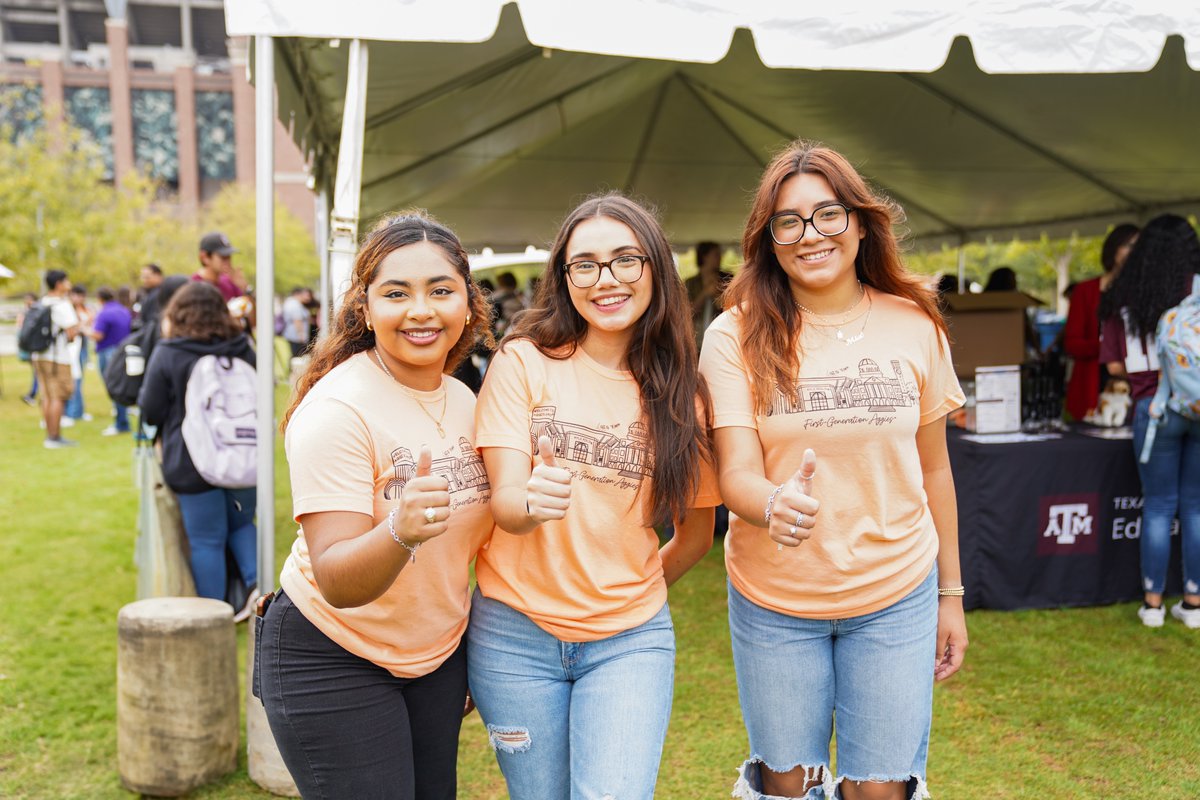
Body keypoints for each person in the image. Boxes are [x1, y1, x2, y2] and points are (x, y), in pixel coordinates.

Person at [699, 141, 967, 800]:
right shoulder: (732, 335)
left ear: (858, 221)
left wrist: (951, 595)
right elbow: (735, 472)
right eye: (788, 221)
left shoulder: (915, 323)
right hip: (776, 599)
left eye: (828, 214)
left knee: (878, 791)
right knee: (790, 785)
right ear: (768, 238)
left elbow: (935, 470)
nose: (810, 234)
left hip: (895, 592)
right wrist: (773, 504)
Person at [470, 193, 719, 800]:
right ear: (564, 277)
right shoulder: (523, 361)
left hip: (630, 642)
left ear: (655, 269)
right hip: (514, 640)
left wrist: (624, 593)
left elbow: (694, 535)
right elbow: (503, 498)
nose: (605, 279)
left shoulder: (685, 394)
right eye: (585, 264)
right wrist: (530, 505)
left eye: (625, 260)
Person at [257, 213, 495, 798]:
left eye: (441, 290)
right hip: (331, 651)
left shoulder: (466, 399)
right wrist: (399, 530)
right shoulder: (338, 408)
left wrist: (462, 647)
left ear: (468, 303)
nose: (421, 311)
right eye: (397, 293)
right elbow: (336, 576)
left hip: (434, 658)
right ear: (365, 308)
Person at [1100, 213, 1200, 629]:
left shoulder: (1124, 292)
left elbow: (1115, 366)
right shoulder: (1194, 291)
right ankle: (1194, 604)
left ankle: (1153, 604)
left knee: (1158, 506)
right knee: (1195, 506)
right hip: (1195, 404)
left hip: (1151, 408)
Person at [137, 282, 257, 610]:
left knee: (206, 540)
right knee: (243, 525)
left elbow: (150, 409)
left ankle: (212, 613)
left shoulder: (170, 351)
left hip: (190, 462)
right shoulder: (242, 347)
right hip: (243, 456)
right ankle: (258, 593)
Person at [1063, 224, 1139, 420]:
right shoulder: (1086, 291)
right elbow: (1072, 343)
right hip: (1093, 385)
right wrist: (1108, 348)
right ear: (1113, 248)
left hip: (1135, 387)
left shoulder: (1144, 293)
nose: (1133, 251)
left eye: (1138, 246)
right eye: (1128, 245)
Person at [31, 270, 81, 448]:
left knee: (47, 395)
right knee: (58, 396)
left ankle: (49, 435)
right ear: (59, 283)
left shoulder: (42, 301)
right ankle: (54, 437)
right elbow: (72, 331)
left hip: (39, 355)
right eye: (66, 280)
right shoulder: (62, 304)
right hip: (57, 357)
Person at [89, 286, 134, 435]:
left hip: (108, 352)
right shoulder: (123, 310)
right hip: (123, 350)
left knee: (114, 388)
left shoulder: (104, 313)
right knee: (122, 386)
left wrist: (84, 331)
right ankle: (123, 418)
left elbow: (98, 335)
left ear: (100, 299)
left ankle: (122, 423)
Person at [686, 240, 733, 348]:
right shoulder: (690, 283)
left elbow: (732, 310)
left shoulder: (728, 279)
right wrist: (705, 293)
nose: (720, 257)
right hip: (696, 340)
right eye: (716, 254)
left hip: (722, 339)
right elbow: (687, 313)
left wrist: (717, 293)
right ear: (704, 257)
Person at [64, 284, 93, 423]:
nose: (79, 299)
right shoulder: (66, 309)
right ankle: (72, 412)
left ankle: (78, 411)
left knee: (78, 379)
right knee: (72, 380)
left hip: (81, 346)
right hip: (71, 348)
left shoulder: (84, 309)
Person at [193, 232, 247, 302]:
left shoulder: (229, 281)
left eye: (229, 256)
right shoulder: (193, 286)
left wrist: (245, 289)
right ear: (205, 257)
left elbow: (251, 310)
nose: (228, 261)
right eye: (223, 257)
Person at [17, 292, 40, 405]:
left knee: (39, 373)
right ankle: (33, 393)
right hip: (31, 348)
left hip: (38, 348)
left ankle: (33, 394)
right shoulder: (28, 312)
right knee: (37, 372)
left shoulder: (37, 313)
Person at [490, 270, 526, 337]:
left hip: (507, 331)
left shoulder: (495, 297)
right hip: (520, 328)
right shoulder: (519, 297)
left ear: (500, 283)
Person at [281, 286, 314, 358]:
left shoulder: (290, 302)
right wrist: (301, 335)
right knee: (298, 357)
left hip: (293, 335)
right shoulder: (295, 304)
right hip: (296, 337)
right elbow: (297, 320)